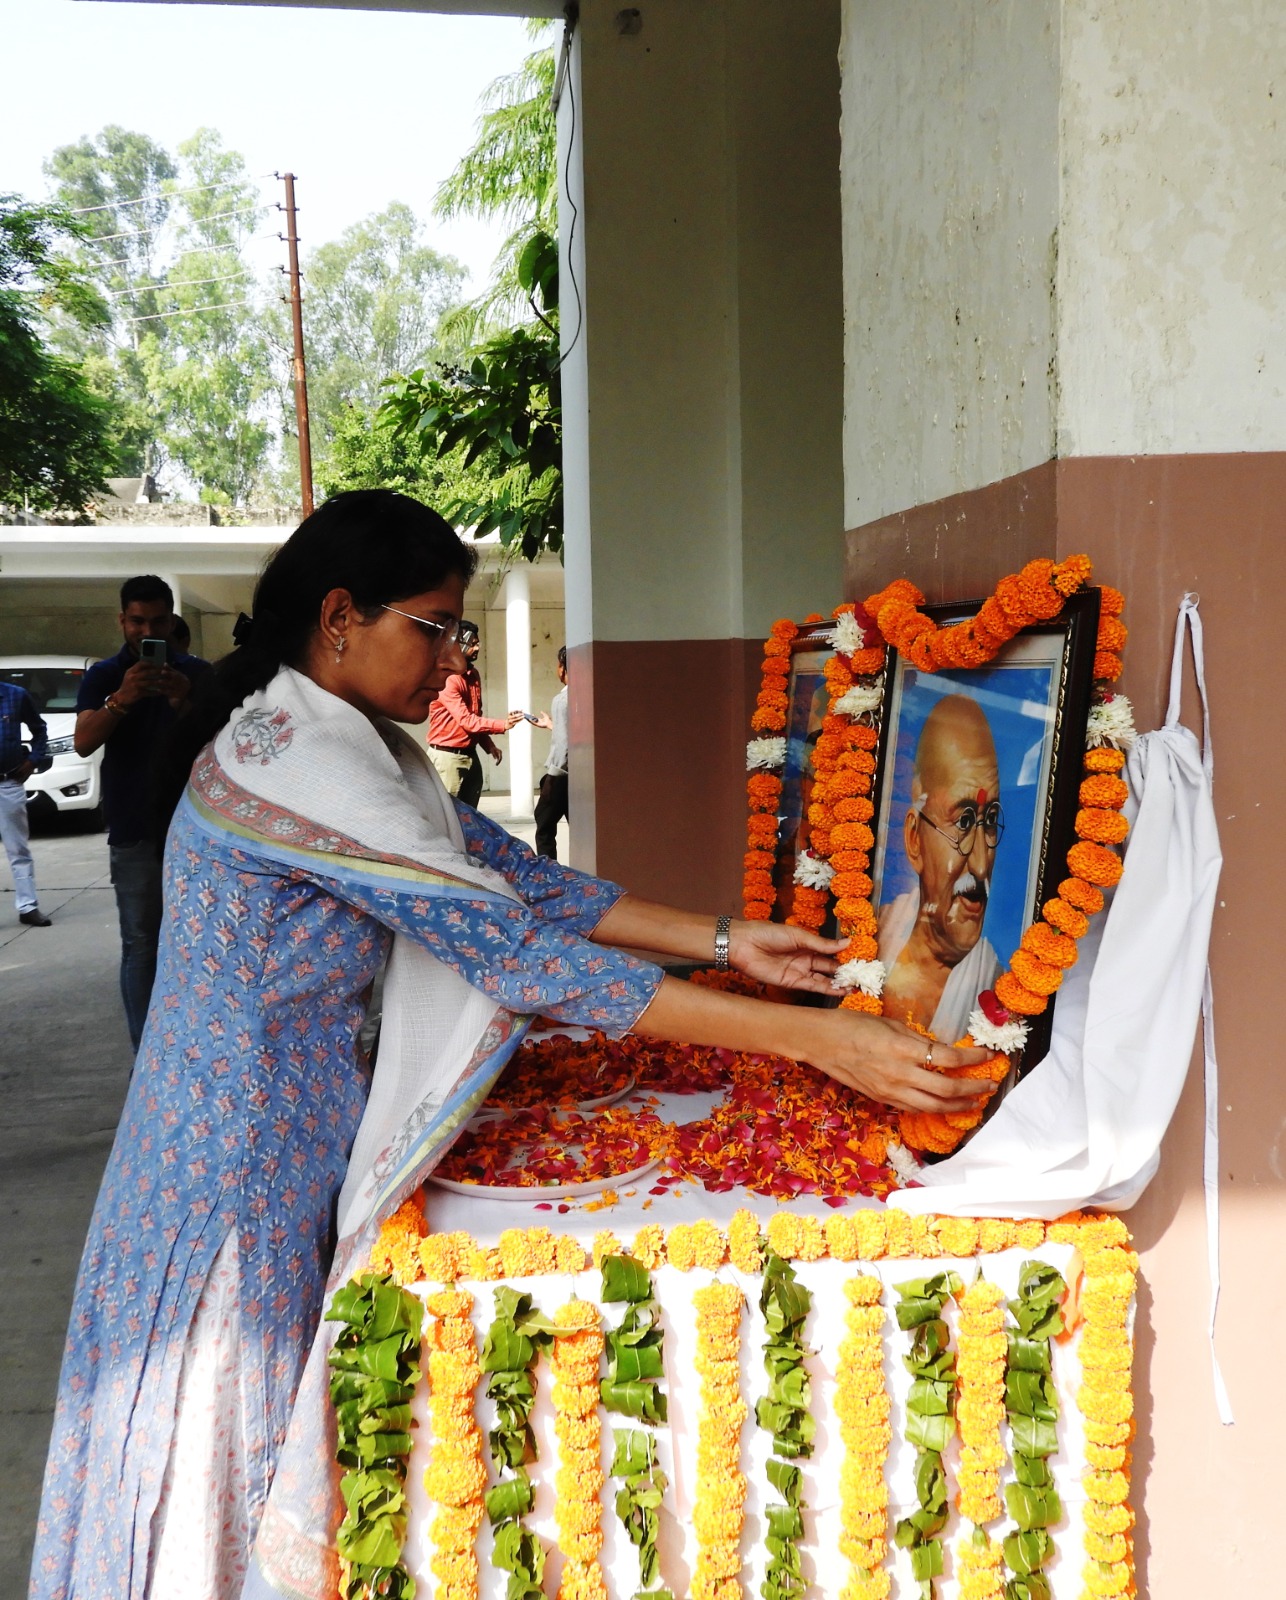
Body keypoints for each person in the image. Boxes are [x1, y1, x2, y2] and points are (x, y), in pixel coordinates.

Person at [30, 491, 992, 1600]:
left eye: (458, 631)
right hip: (229, 1169)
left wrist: (728, 937)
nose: (450, 661)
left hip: (278, 1135)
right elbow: (519, 955)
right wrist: (816, 1043)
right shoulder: (302, 760)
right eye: (432, 627)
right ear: (340, 615)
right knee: (215, 1441)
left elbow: (516, 875)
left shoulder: (349, 738)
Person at [74, 575, 209, 1050]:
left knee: (199, 946)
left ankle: (189, 1049)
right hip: (133, 829)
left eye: (156, 620)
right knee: (141, 946)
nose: (146, 630)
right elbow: (84, 741)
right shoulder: (104, 676)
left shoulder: (199, 673)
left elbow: (222, 745)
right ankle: (146, 1056)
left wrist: (183, 699)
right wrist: (123, 699)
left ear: (172, 620)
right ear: (122, 620)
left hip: (197, 830)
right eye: (137, 620)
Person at [878, 693, 1004, 1038]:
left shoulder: (1000, 991)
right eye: (963, 822)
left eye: (990, 821)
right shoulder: (871, 939)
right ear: (914, 838)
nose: (980, 865)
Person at [425, 616, 521, 806]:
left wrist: (489, 746)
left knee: (471, 816)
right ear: (459, 644)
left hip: (470, 754)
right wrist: (503, 724)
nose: (477, 648)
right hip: (448, 758)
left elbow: (476, 716)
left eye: (478, 644)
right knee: (450, 816)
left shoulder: (473, 675)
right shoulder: (449, 679)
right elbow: (467, 720)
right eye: (472, 644)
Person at [0, 676, 52, 926]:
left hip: (8, 782)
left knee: (17, 848)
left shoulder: (15, 695)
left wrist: (33, 760)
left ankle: (28, 906)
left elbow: (39, 730)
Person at [533, 643, 569, 858]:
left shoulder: (562, 699)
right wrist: (551, 725)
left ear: (563, 668)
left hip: (563, 775)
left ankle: (549, 874)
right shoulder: (588, 695)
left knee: (544, 824)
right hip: (583, 773)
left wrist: (552, 779)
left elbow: (563, 744)